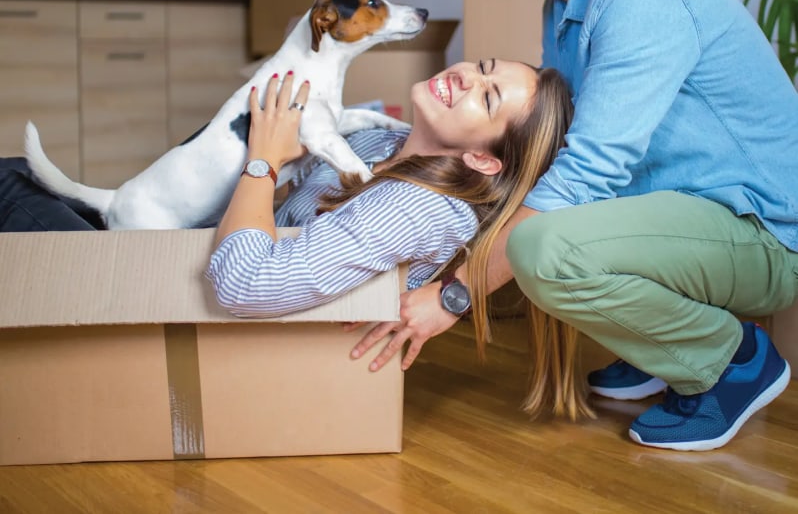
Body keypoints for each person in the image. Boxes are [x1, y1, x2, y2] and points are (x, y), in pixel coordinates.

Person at [351, 0, 798, 452]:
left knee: (542, 248)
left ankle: (732, 359)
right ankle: (661, 348)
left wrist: (453, 297)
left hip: (764, 233)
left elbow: (588, 173)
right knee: (529, 209)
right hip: (687, 215)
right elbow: (559, 146)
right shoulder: (562, 5)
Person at [0, 56, 582, 419]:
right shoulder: (389, 146)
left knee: (8, 182)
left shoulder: (415, 207)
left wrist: (264, 160)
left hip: (209, 324)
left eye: (485, 96)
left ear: (483, 159)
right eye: (482, 67)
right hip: (197, 260)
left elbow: (244, 285)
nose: (465, 76)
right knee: (20, 177)